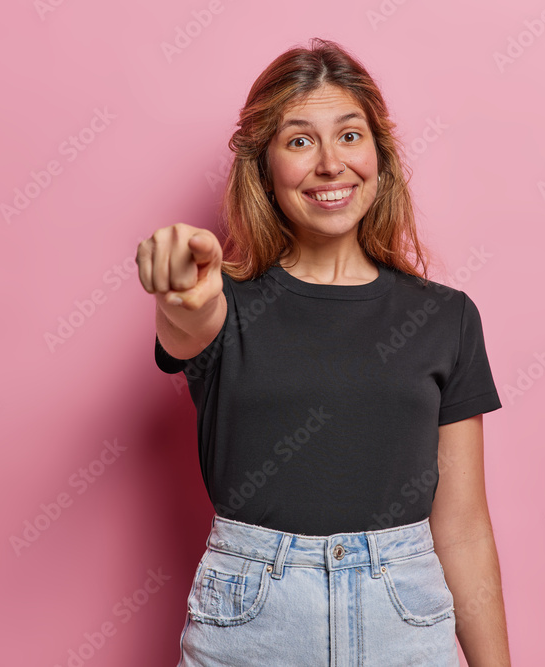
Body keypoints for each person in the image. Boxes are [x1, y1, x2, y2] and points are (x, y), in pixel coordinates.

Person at [136, 37, 511, 667]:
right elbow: (187, 316)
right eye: (300, 140)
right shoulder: (223, 301)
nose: (331, 163)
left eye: (350, 135)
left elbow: (465, 524)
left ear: (379, 156)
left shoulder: (445, 317)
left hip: (404, 618)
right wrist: (178, 284)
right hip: (253, 621)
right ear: (265, 167)